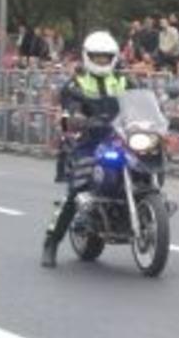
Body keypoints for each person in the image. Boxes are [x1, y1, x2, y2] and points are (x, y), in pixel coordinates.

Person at [41, 31, 132, 268]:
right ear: (88, 56)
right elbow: (69, 109)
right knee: (77, 189)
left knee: (144, 164)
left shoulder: (123, 80)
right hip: (89, 141)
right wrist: (76, 118)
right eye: (97, 57)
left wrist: (161, 115)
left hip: (121, 139)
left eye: (105, 57)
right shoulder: (76, 83)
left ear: (113, 57)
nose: (101, 61)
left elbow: (143, 99)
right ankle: (51, 242)